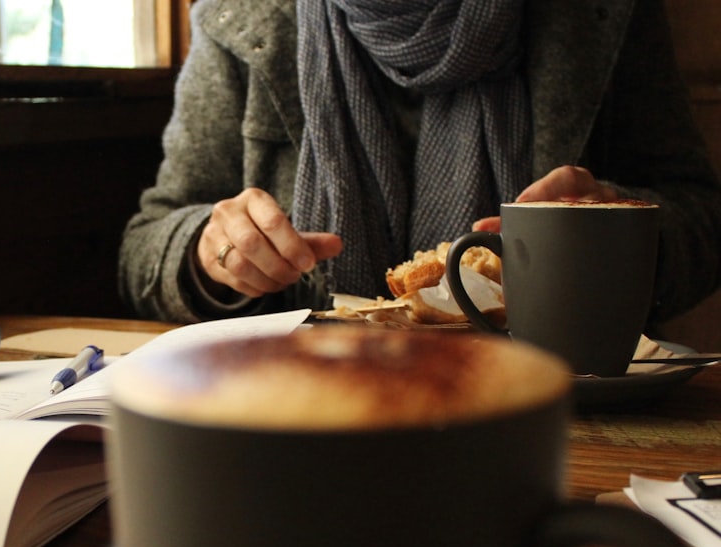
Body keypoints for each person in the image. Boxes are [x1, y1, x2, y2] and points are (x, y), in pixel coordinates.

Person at [118, 0, 721, 327]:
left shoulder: (602, 17)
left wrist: (623, 232)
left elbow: (704, 220)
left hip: (549, 414)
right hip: (301, 409)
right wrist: (211, 253)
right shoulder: (239, 18)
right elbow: (144, 250)